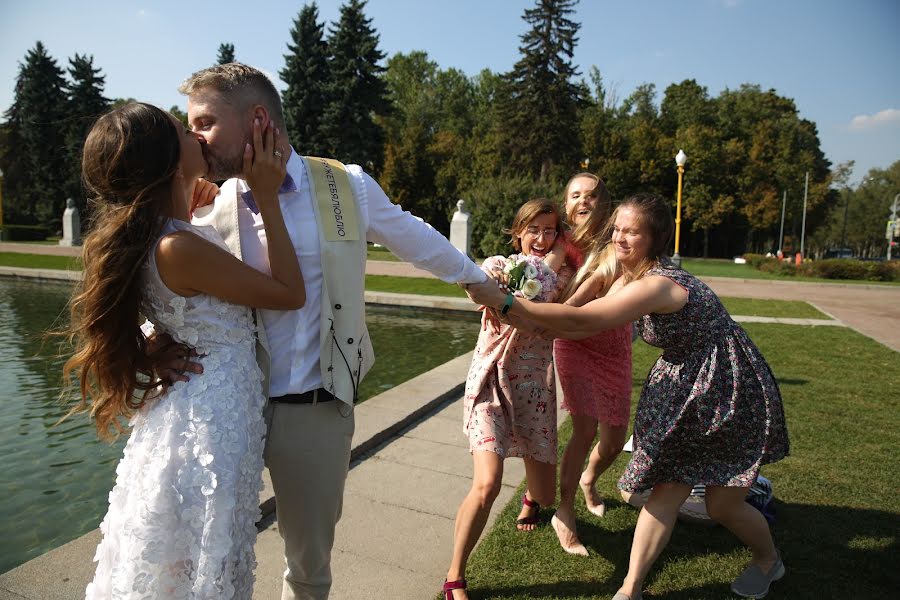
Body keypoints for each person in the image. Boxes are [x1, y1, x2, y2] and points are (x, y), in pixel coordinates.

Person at [173, 62, 488, 600]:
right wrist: (152, 337)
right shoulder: (213, 200)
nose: (195, 138)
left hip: (315, 410)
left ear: (255, 119)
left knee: (307, 566)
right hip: (232, 409)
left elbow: (412, 236)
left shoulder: (347, 185)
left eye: (204, 122)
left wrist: (479, 281)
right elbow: (168, 277)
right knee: (211, 553)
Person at [465, 193, 790, 600]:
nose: (619, 238)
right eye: (617, 228)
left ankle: (768, 561)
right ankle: (631, 588)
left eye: (631, 231)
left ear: (653, 238)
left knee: (722, 506)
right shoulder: (628, 273)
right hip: (688, 383)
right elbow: (583, 326)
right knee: (668, 487)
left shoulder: (657, 283)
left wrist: (509, 302)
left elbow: (588, 318)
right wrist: (533, 322)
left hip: (726, 386)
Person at [63, 102, 302, 598]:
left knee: (188, 556)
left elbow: (176, 306)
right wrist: (267, 197)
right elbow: (288, 293)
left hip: (199, 409)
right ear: (172, 162)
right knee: (197, 559)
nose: (198, 135)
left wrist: (149, 348)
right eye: (183, 130)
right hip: (209, 423)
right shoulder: (177, 247)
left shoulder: (165, 234)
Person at [443, 198, 573, 600]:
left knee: (547, 496)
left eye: (550, 230)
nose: (541, 237)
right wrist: (545, 267)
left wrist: (551, 271)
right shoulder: (498, 265)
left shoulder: (567, 280)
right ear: (518, 232)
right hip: (490, 383)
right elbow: (475, 288)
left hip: (534, 389)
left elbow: (559, 314)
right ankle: (455, 578)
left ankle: (533, 499)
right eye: (533, 229)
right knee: (487, 484)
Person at [550, 173, 633, 556]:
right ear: (567, 205)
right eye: (575, 195)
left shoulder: (617, 241)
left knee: (615, 438)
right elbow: (543, 269)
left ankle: (589, 480)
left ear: (604, 202)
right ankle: (564, 512)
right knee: (583, 430)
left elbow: (602, 282)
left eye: (592, 195)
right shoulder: (560, 243)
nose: (584, 201)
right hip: (574, 343)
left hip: (613, 345)